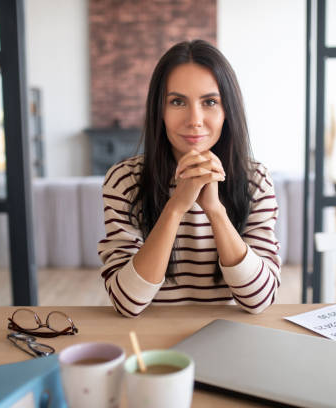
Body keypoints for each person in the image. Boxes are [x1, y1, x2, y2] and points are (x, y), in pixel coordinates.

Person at [97, 39, 281, 317]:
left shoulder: (255, 180)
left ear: (227, 111)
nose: (195, 119)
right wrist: (176, 207)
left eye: (209, 102)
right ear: (159, 110)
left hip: (232, 340)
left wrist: (215, 210)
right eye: (177, 101)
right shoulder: (125, 180)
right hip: (152, 346)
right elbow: (128, 302)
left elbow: (259, 300)